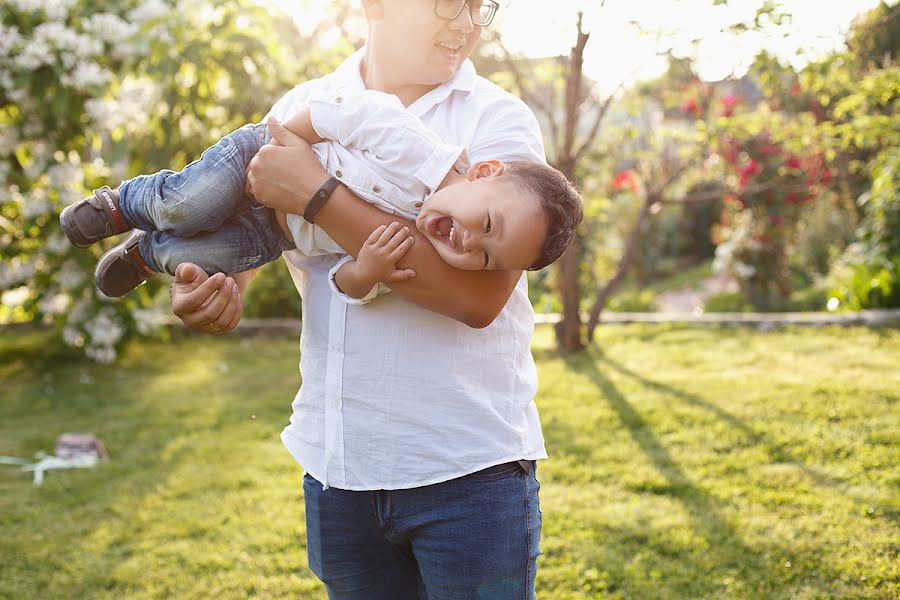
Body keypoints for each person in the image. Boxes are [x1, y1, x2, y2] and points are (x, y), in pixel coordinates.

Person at [170, 0, 555, 597]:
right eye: (451, 3)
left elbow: (477, 299)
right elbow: (263, 236)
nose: (467, 23)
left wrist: (316, 194)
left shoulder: (496, 122)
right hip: (339, 469)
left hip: (467, 472)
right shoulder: (303, 106)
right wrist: (219, 289)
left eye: (483, 7)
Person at [59, 90, 581, 298]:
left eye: (487, 258)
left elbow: (347, 286)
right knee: (186, 205)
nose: (470, 245)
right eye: (487, 226)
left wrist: (367, 272)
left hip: (274, 231)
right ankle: (121, 205)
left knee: (198, 254)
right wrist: (290, 144)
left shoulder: (400, 250)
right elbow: (349, 113)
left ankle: (147, 255)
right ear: (483, 172)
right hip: (259, 158)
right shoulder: (420, 153)